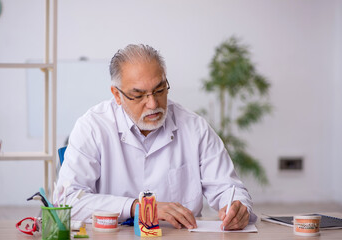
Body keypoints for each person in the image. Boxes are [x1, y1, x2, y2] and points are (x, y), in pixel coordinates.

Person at [56, 44, 257, 230]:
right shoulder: (93, 127)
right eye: (139, 95)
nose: (153, 104)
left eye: (159, 90)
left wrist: (237, 208)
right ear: (117, 95)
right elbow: (67, 202)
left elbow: (228, 188)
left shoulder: (195, 127)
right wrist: (138, 207)